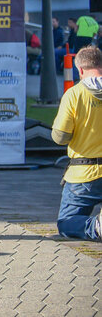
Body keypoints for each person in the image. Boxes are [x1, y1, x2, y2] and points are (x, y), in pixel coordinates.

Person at [51, 46, 102, 242]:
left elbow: (60, 136)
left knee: (67, 222)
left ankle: (96, 227)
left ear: (80, 70)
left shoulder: (74, 94)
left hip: (83, 174)